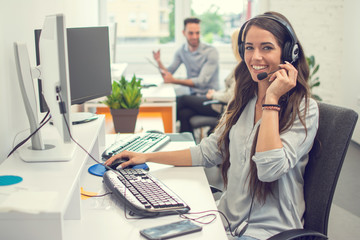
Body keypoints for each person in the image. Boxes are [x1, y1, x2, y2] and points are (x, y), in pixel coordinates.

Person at [106, 11, 319, 240]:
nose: (255, 57)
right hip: (225, 220)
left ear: (289, 53)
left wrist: (271, 101)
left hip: (266, 232)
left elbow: (268, 171)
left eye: (266, 47)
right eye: (249, 47)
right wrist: (147, 156)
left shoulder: (305, 109)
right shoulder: (243, 101)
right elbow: (207, 152)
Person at [177, 28, 241, 134]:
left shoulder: (242, 68)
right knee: (184, 113)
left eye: (231, 43)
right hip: (217, 102)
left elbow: (229, 97)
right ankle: (186, 145)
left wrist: (213, 95)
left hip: (222, 107)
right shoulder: (238, 64)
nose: (230, 46)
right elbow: (229, 91)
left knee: (183, 99)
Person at [153, 17, 219, 96]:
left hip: (208, 97)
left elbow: (201, 82)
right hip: (193, 94)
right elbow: (168, 74)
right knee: (168, 99)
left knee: (180, 100)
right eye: (191, 33)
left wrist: (174, 80)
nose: (195, 37)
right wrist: (158, 61)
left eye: (197, 33)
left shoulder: (211, 52)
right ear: (184, 33)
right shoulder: (181, 51)